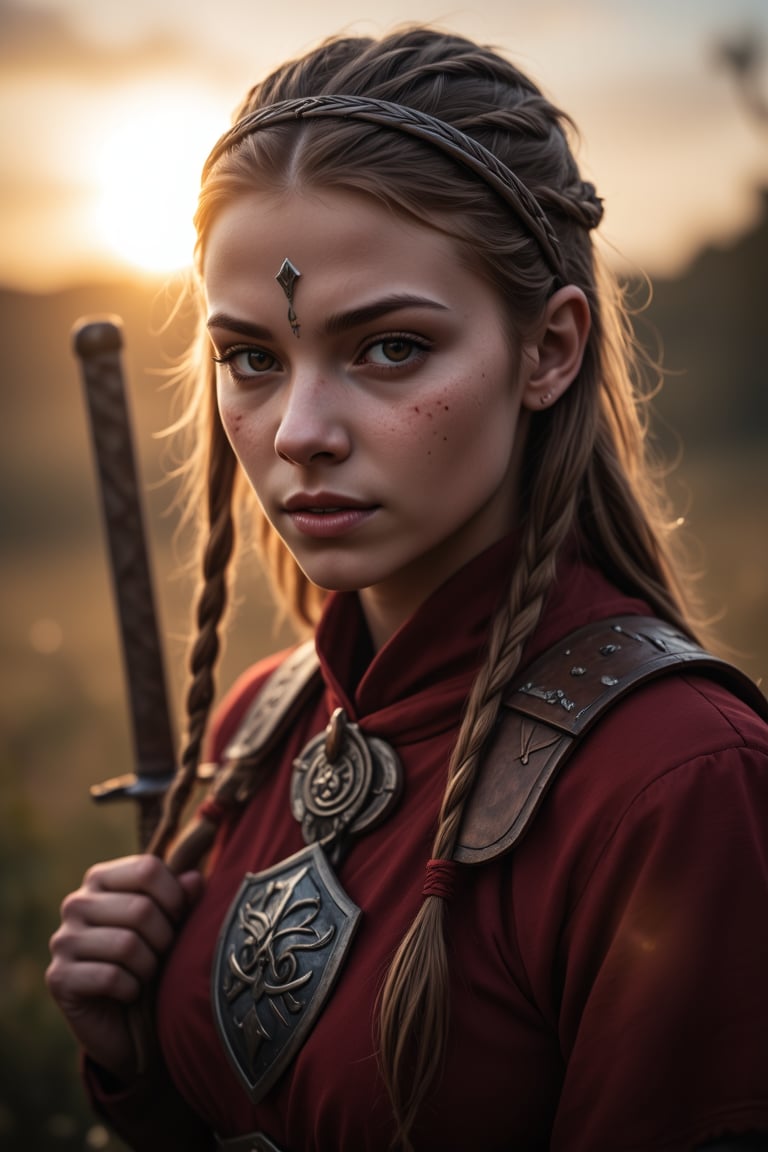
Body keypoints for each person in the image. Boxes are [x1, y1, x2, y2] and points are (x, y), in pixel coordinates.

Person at [46, 25, 768, 1152]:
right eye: (252, 358)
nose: (300, 433)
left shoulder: (676, 783)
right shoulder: (261, 725)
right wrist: (134, 1063)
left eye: (388, 348)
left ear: (549, 351)